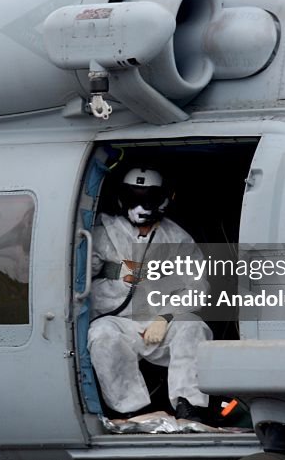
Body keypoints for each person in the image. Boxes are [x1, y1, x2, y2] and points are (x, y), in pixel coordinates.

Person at [88, 167, 212, 423]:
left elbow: (197, 287)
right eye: (133, 196)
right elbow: (81, 276)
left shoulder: (177, 238)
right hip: (116, 318)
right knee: (101, 335)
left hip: (158, 321)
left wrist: (165, 317)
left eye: (148, 198)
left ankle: (190, 407)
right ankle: (132, 412)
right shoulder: (103, 233)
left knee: (192, 327)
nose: (140, 205)